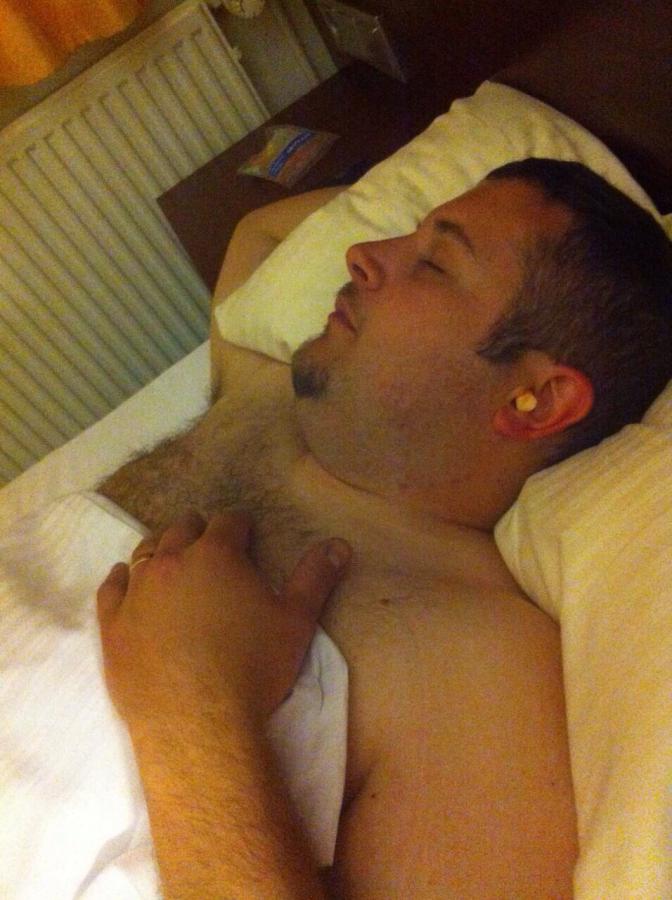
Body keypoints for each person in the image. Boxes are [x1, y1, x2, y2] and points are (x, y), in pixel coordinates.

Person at [96, 159, 672, 898]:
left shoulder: (476, 666)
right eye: (407, 231)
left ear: (536, 399)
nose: (361, 254)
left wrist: (189, 705)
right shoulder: (260, 397)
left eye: (434, 263)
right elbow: (257, 233)